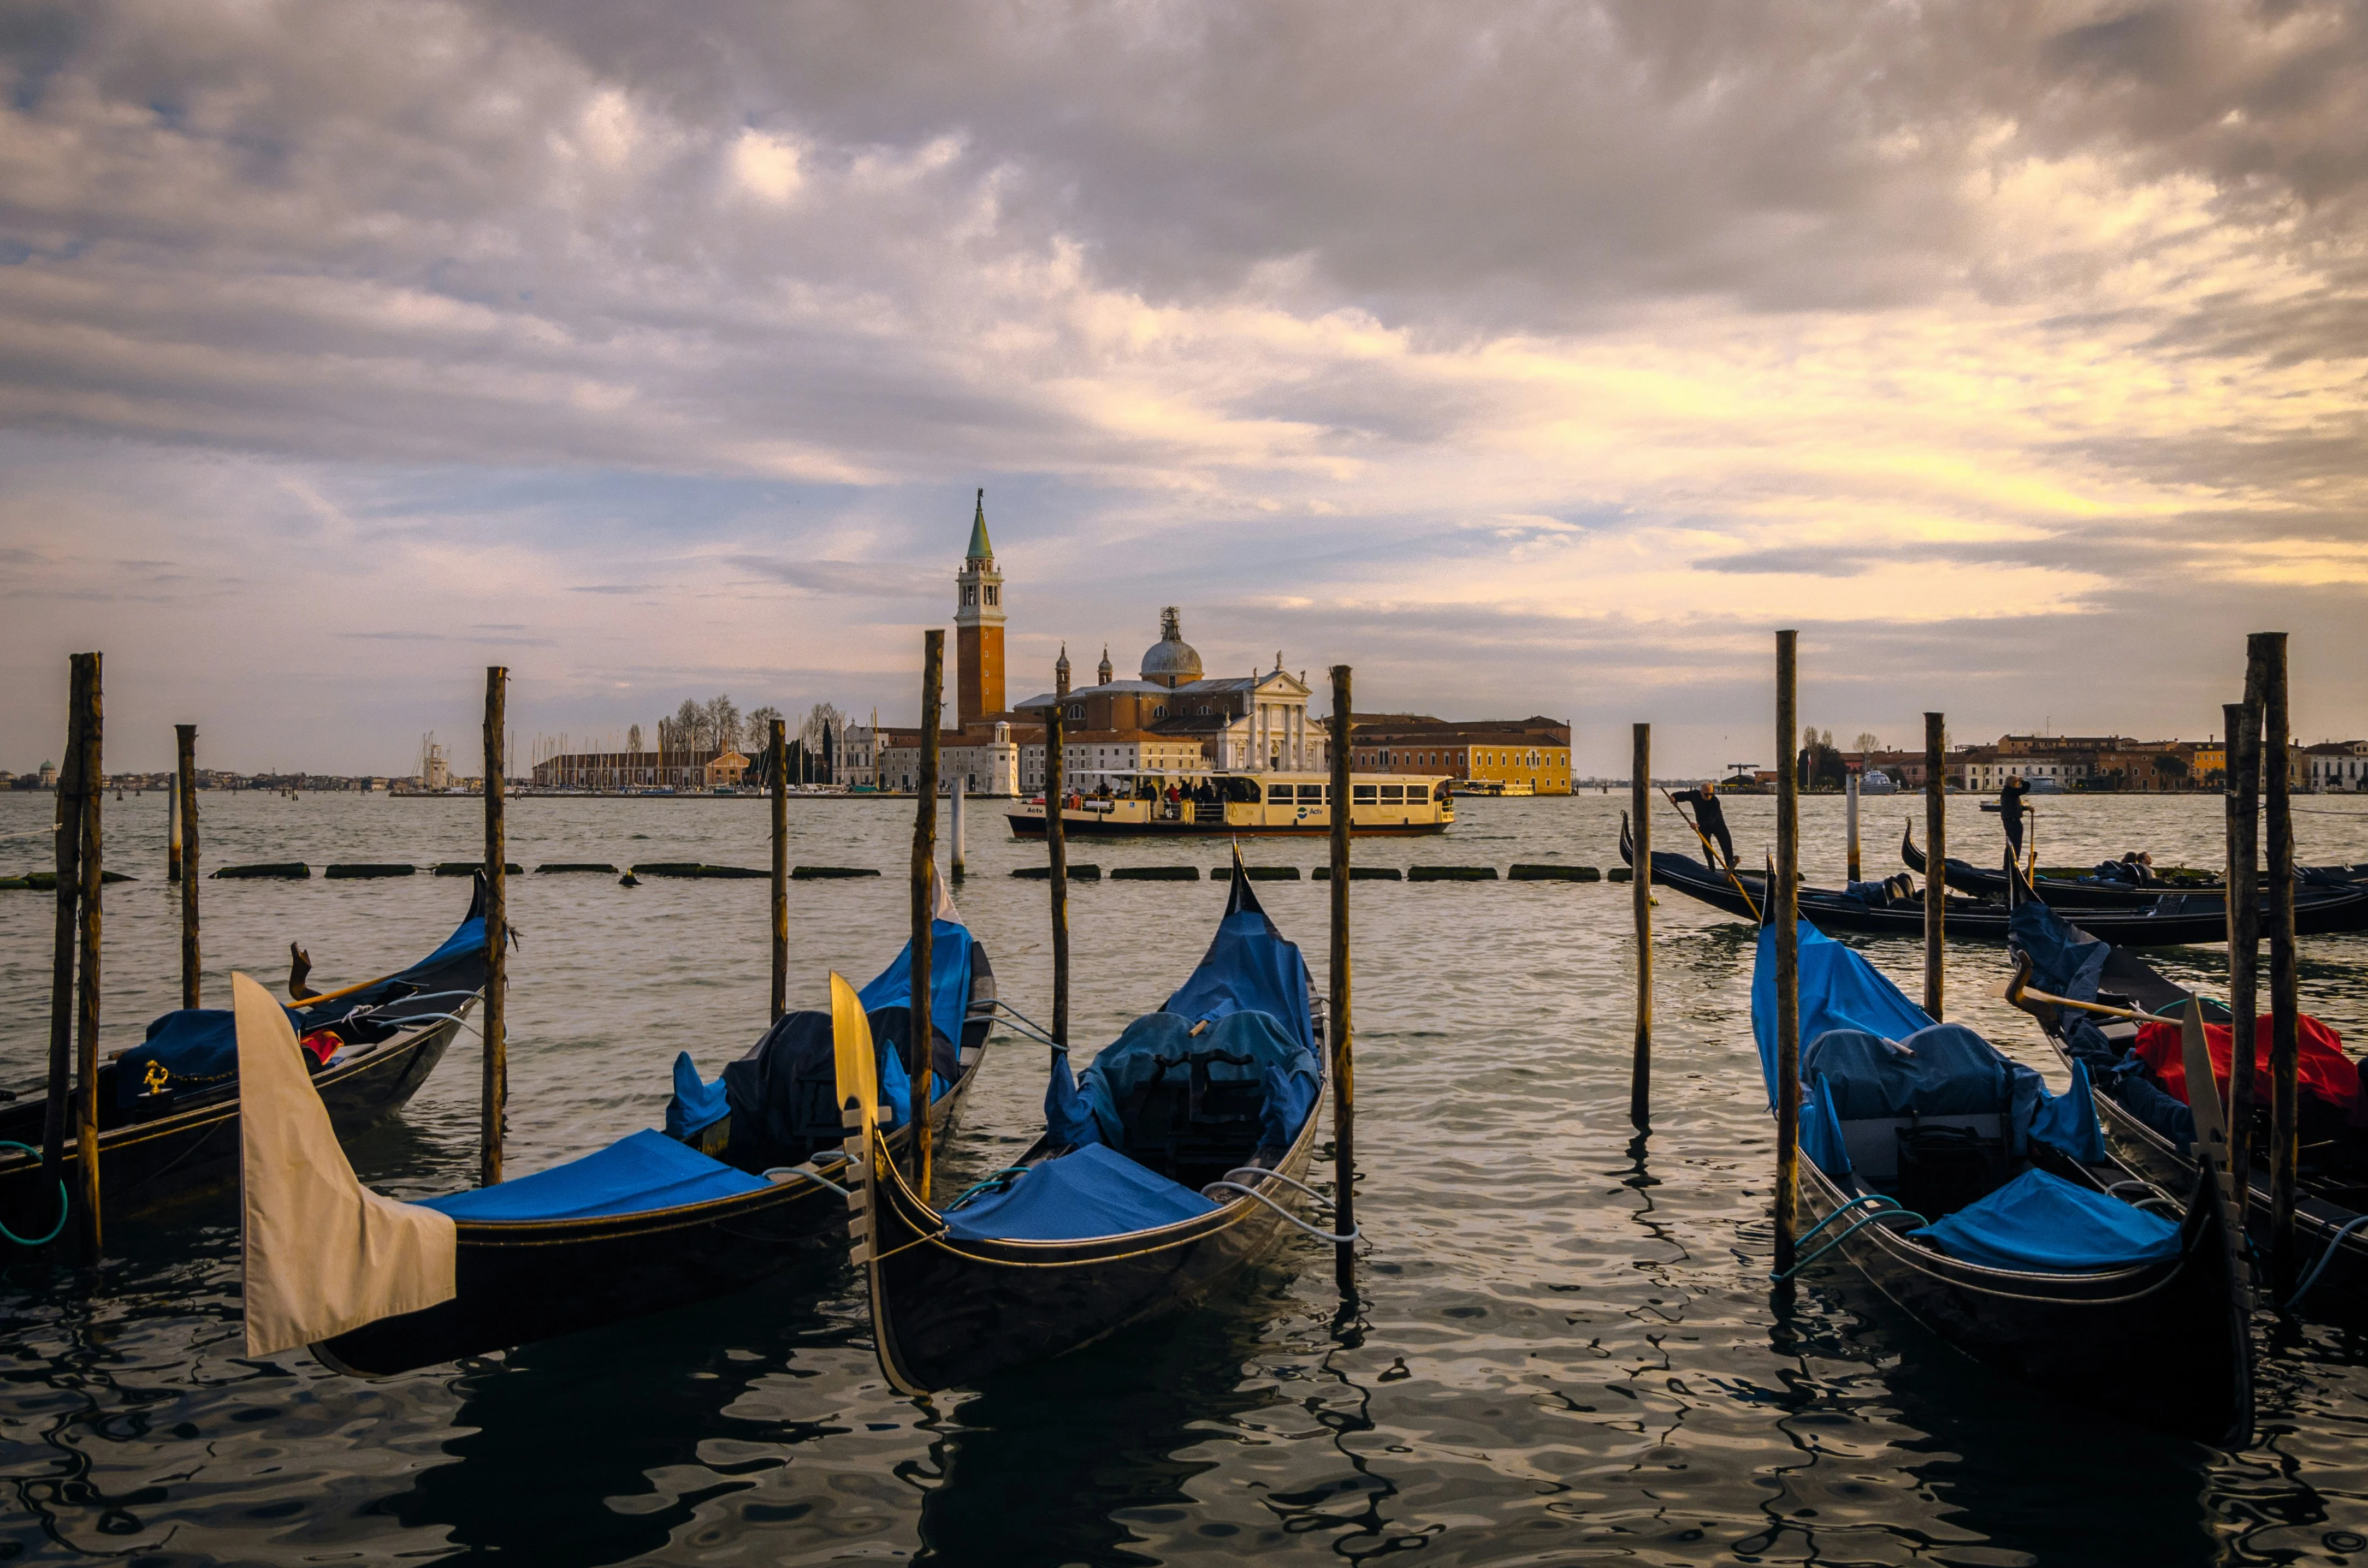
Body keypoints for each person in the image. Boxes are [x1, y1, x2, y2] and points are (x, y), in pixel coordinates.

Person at [1671, 786, 1736, 870]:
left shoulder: (1715, 801)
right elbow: (1679, 795)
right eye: (1706, 794)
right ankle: (1712, 868)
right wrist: (1673, 798)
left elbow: (1711, 819)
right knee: (1707, 846)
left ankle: (1731, 870)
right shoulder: (1694, 795)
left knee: (1727, 844)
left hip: (1717, 824)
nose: (1708, 796)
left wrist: (1698, 825)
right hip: (1703, 825)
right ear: (1701, 792)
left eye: (1711, 794)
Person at [1998, 775, 2030, 862]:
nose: (2017, 784)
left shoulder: (2009, 792)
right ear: (2011, 783)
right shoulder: (2010, 791)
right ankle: (2012, 864)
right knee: (2015, 844)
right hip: (2012, 820)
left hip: (2009, 819)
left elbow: (2012, 806)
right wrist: (2022, 781)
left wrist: (2027, 808)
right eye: (2016, 782)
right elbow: (2026, 788)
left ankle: (2011, 865)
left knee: (2011, 843)